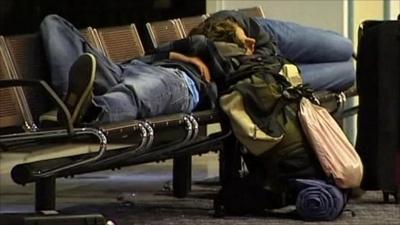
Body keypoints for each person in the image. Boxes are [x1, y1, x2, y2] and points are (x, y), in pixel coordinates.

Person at [40, 14, 216, 125]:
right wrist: (181, 56)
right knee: (53, 23)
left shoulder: (226, 63)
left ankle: (92, 111)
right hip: (128, 69)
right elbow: (153, 52)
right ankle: (69, 103)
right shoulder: (201, 43)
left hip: (178, 81)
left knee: (135, 92)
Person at [190, 10, 355, 91]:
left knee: (344, 46)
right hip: (270, 74)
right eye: (245, 44)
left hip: (271, 37)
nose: (251, 41)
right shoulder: (224, 60)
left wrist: (253, 52)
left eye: (244, 37)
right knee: (349, 73)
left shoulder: (226, 23)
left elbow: (264, 45)